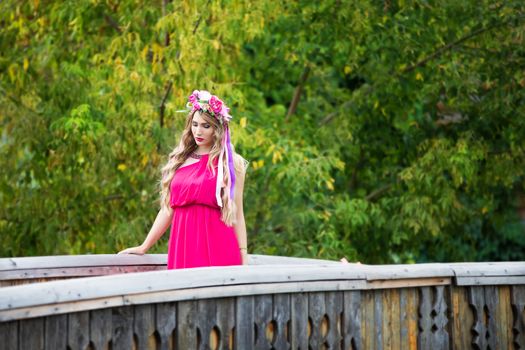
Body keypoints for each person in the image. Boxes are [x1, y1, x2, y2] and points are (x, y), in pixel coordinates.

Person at [118, 90, 249, 268]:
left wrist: (243, 254)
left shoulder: (230, 163)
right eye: (194, 124)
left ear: (217, 129)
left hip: (218, 245)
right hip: (183, 245)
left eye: (206, 126)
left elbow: (237, 213)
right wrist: (144, 246)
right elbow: (168, 209)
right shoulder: (179, 159)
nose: (198, 131)